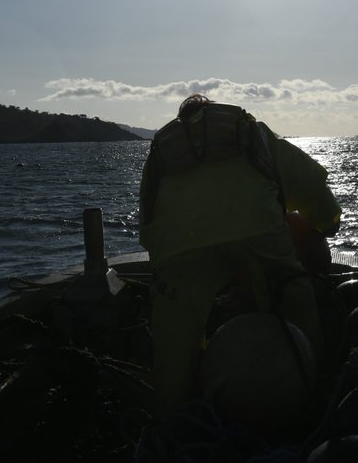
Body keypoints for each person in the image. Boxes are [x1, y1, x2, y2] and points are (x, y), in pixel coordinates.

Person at [139, 94, 342, 410]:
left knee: (176, 334)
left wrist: (166, 266)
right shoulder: (251, 131)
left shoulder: (162, 149)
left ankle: (173, 413)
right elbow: (307, 180)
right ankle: (316, 390)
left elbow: (148, 218)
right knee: (293, 298)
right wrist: (328, 222)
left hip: (179, 243)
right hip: (257, 227)